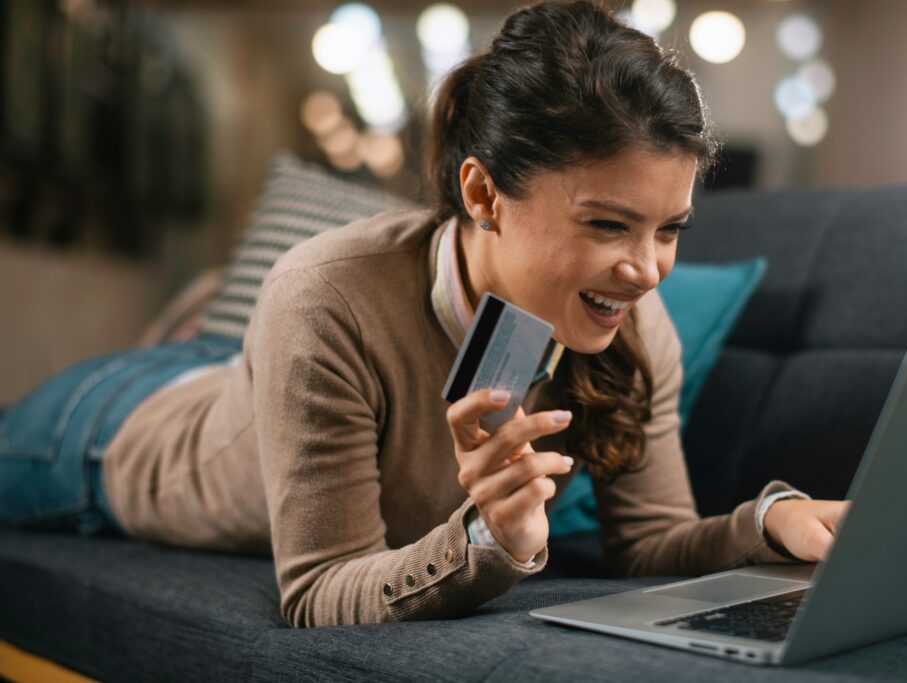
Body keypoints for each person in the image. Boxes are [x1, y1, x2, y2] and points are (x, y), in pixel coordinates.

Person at [0, 0, 849, 627]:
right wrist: (487, 544)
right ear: (483, 192)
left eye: (668, 229)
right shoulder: (327, 295)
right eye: (606, 224)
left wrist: (771, 521)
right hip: (113, 436)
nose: (646, 268)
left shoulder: (629, 323)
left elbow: (650, 542)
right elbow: (321, 590)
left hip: (250, 382)